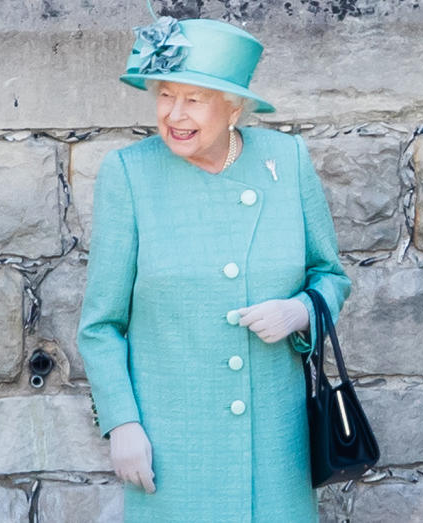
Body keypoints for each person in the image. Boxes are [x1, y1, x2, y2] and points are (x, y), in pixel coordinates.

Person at [77, 15, 350, 522]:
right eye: (164, 95)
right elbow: (101, 325)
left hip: (275, 450)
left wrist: (299, 312)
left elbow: (330, 275)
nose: (174, 114)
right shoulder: (129, 174)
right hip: (171, 450)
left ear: (234, 107)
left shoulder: (286, 160)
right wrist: (122, 425)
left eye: (194, 98)